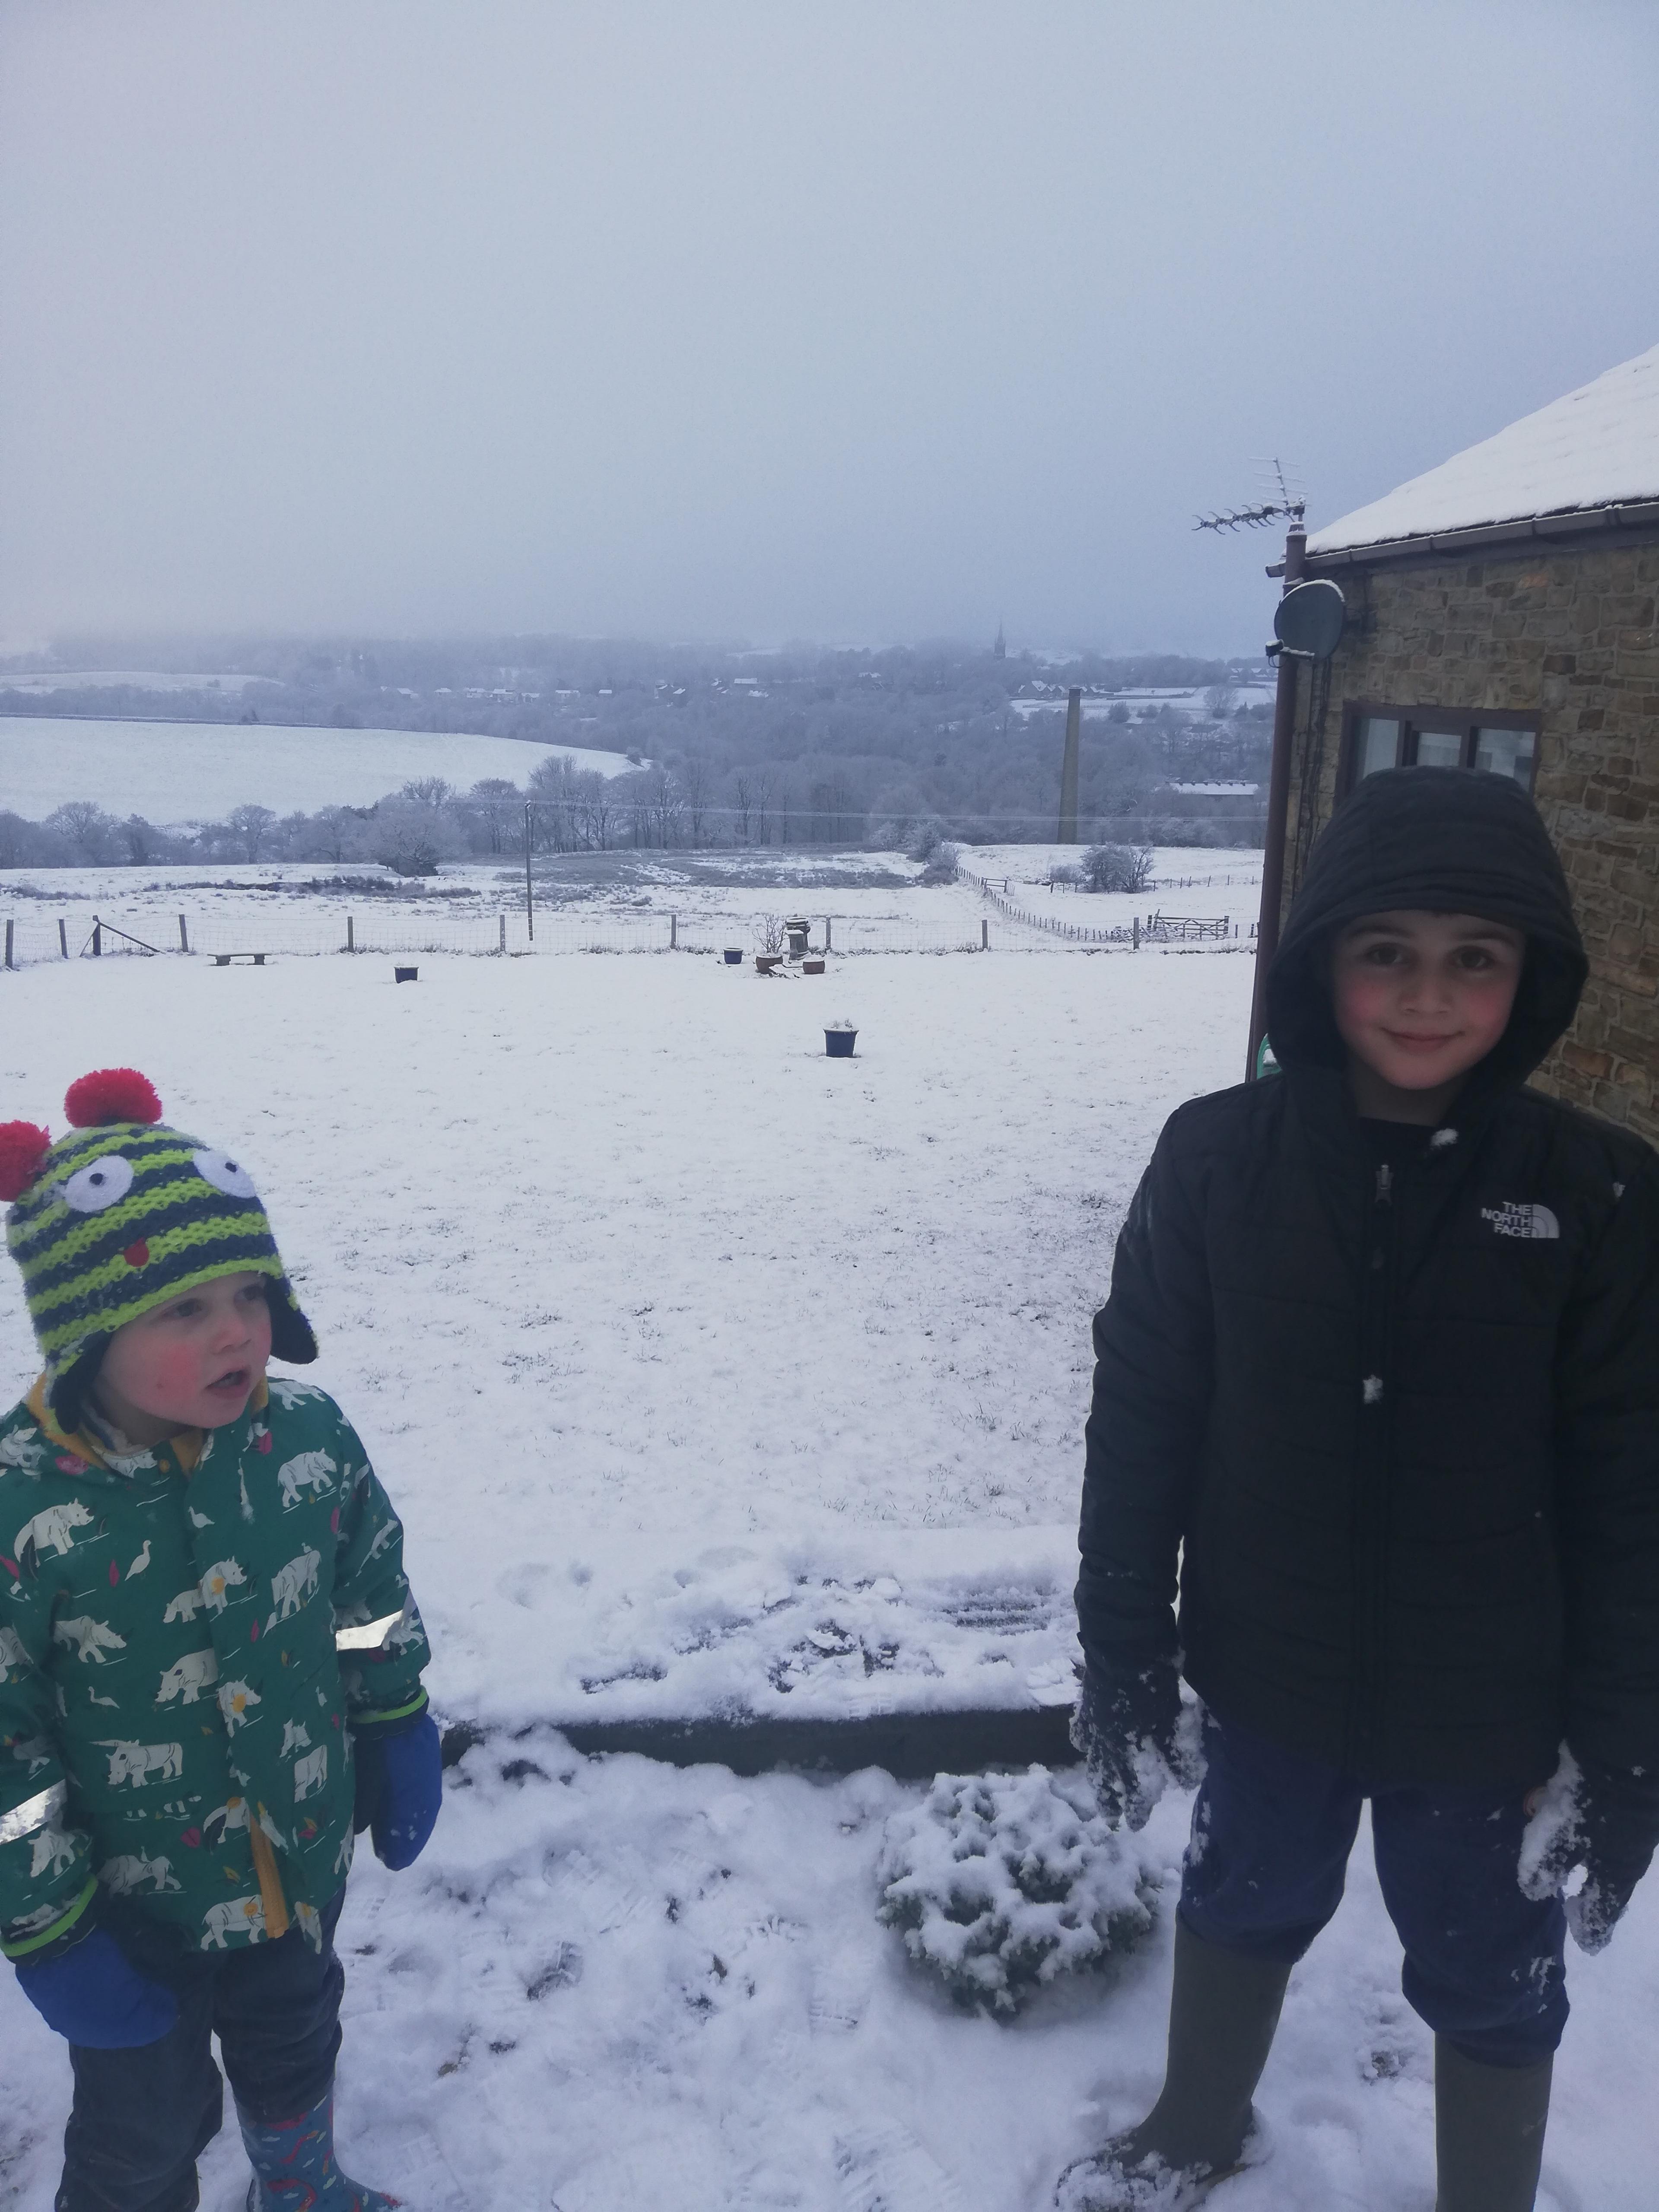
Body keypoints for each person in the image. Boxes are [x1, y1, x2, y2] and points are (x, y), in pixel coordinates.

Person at [1063, 768, 1659, 2212]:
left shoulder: (1600, 1199)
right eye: (1384, 949)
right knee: (1242, 1900)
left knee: (1488, 1972)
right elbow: (1142, 1418)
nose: (1427, 995)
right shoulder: (1215, 1161)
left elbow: (1633, 1491)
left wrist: (1624, 1742)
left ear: (1532, 977)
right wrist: (1126, 1649)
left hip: (1492, 1716)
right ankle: (1196, 2130)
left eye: (1477, 957)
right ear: (1319, 961)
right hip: (1268, 1671)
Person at [0, 1068, 444, 2212]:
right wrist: (47, 1922)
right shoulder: (22, 1507)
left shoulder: (305, 1434)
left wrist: (394, 1716)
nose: (238, 1330)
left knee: (298, 2042)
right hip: (130, 1909)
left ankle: (299, 2186)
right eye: (186, 1308)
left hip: (296, 1854)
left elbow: (370, 1586)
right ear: (87, 1329)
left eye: (249, 1293)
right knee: (141, 2124)